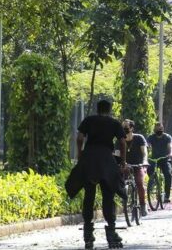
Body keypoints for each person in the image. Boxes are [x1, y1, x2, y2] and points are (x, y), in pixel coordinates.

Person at [72, 99, 127, 249]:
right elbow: (122, 142)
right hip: (106, 160)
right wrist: (122, 161)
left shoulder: (89, 120)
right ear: (109, 110)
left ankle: (88, 233)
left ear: (97, 109)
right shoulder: (114, 123)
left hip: (89, 159)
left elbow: (79, 138)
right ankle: (111, 232)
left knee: (89, 194)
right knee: (108, 194)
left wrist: (80, 153)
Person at [120, 119, 148, 217]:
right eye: (122, 127)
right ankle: (123, 200)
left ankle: (143, 205)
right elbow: (116, 154)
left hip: (138, 165)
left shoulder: (139, 138)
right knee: (119, 181)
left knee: (139, 182)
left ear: (131, 128)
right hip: (126, 165)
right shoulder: (120, 140)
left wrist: (144, 161)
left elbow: (144, 152)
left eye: (126, 127)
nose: (124, 129)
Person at [147, 121, 172, 204]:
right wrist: (147, 151)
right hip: (154, 159)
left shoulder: (167, 137)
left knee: (168, 174)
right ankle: (154, 181)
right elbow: (147, 145)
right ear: (154, 129)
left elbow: (170, 147)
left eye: (161, 128)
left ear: (163, 129)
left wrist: (170, 154)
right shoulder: (151, 137)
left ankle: (167, 196)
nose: (159, 130)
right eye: (158, 128)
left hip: (165, 159)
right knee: (149, 169)